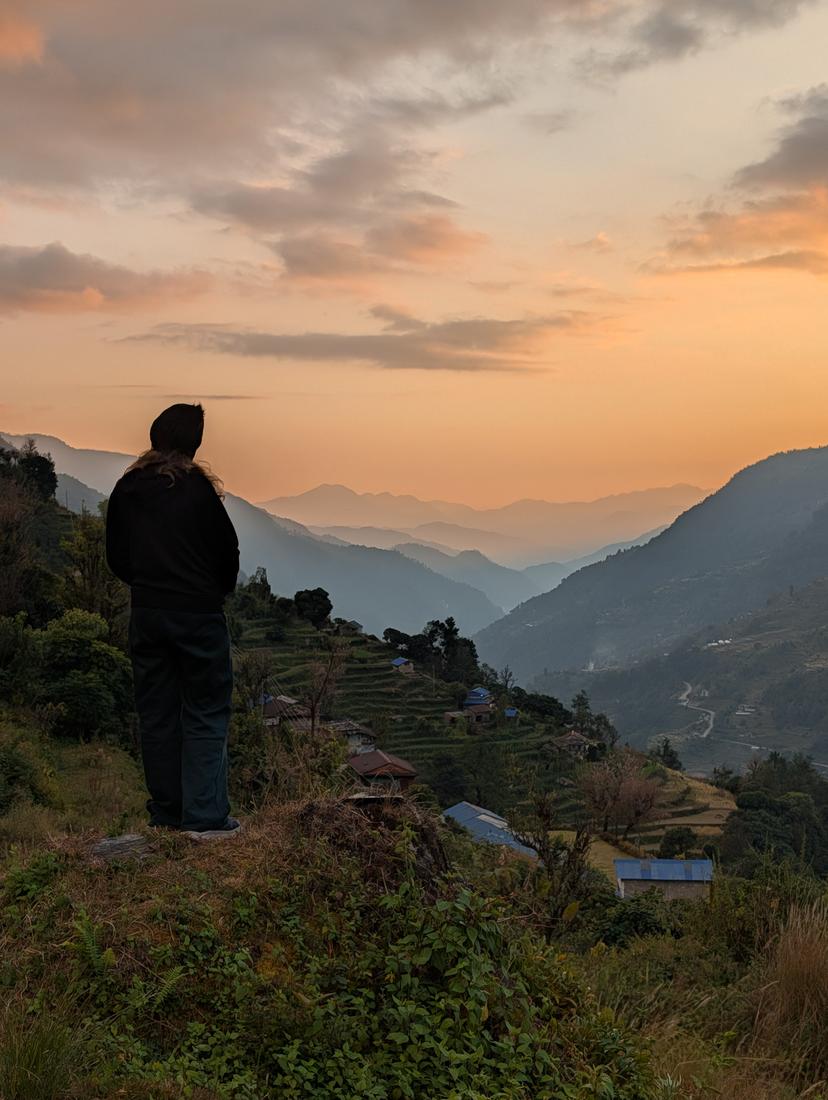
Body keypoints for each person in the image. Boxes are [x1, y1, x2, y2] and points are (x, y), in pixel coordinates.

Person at [106, 403, 241, 836]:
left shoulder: (128, 489)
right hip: (199, 617)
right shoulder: (199, 491)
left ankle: (167, 814)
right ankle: (204, 820)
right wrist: (210, 593)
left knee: (157, 715)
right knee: (204, 711)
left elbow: (117, 558)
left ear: (154, 436)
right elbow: (227, 556)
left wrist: (148, 587)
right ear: (195, 443)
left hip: (148, 616)